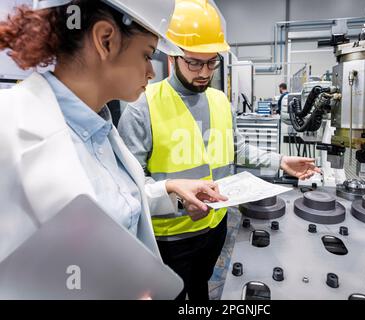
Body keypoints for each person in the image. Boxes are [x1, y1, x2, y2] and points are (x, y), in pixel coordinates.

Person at [0, 0, 227, 296]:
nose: (150, 71)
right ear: (106, 39)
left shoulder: (99, 127)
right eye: (147, 55)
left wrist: (169, 188)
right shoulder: (9, 130)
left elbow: (113, 206)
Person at [118, 0, 320, 301]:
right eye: (194, 63)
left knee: (201, 289)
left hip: (215, 226)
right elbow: (129, 188)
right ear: (173, 57)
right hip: (170, 238)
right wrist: (174, 198)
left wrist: (281, 161)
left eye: (211, 62)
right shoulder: (142, 106)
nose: (204, 72)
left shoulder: (219, 101)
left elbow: (237, 149)